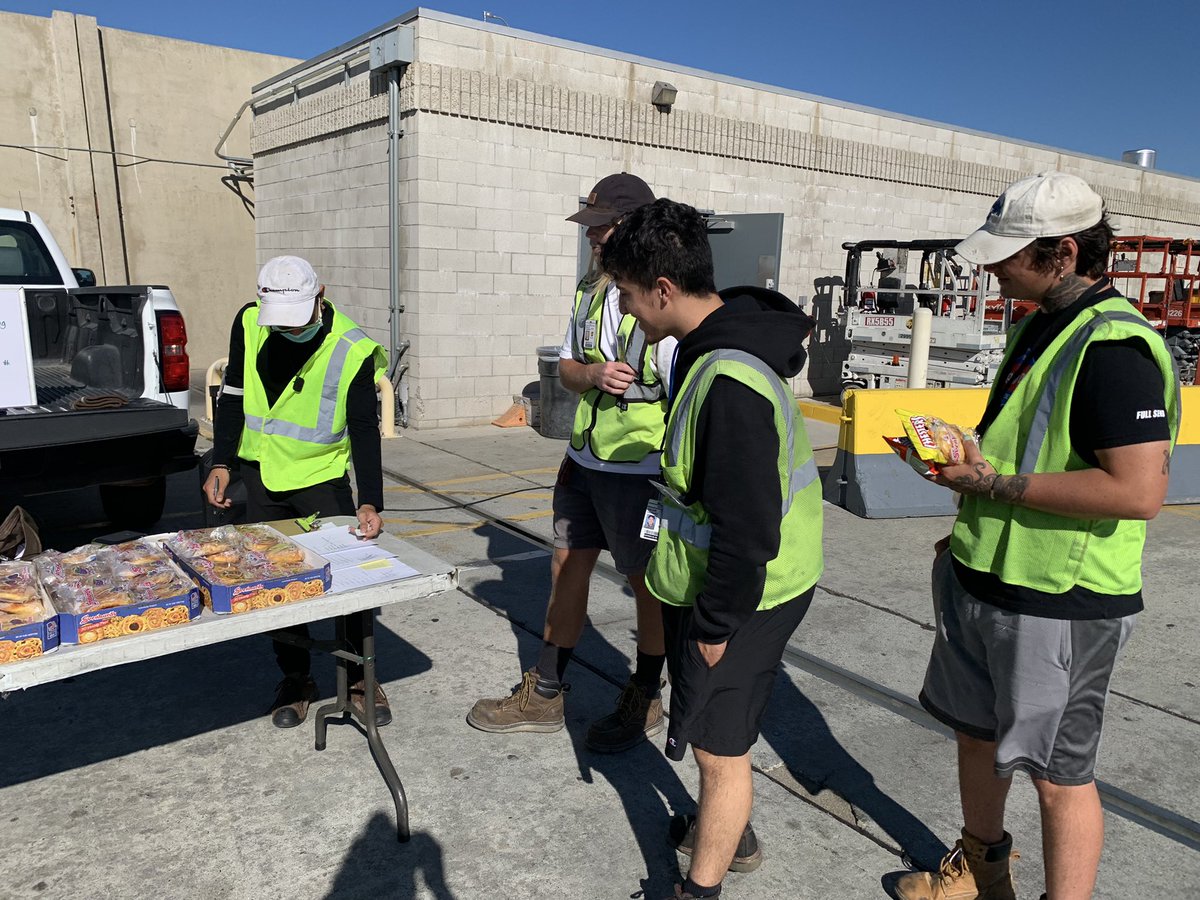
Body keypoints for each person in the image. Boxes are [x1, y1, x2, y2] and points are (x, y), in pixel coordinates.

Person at [895, 173, 1178, 900]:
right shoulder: (1036, 324)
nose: (992, 267)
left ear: (1065, 252)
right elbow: (1031, 446)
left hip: (1059, 601)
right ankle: (982, 871)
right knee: (975, 735)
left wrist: (992, 487)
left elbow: (1138, 493)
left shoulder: (1114, 348)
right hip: (984, 575)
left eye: (1010, 254)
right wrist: (969, 465)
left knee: (1059, 777)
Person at [602, 198, 824, 899]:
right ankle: (732, 832)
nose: (630, 313)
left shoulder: (727, 381)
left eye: (631, 298)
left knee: (719, 751)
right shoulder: (717, 352)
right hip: (732, 584)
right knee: (716, 739)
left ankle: (699, 889)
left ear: (663, 290)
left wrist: (718, 626)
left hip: (748, 593)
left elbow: (748, 529)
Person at [467, 173, 677, 753]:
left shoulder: (665, 298)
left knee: (648, 585)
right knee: (565, 567)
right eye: (590, 228)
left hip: (641, 470)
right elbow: (564, 369)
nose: (593, 240)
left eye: (602, 228)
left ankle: (646, 691)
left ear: (632, 227)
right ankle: (547, 691)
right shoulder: (589, 292)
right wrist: (591, 375)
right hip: (585, 460)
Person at [203, 256, 392, 730]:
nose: (287, 331)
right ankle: (296, 678)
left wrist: (370, 499)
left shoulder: (353, 348)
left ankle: (358, 679)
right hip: (261, 474)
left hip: (320, 480)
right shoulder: (250, 322)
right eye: (279, 323)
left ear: (320, 296)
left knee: (348, 582)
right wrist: (223, 460)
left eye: (297, 320)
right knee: (275, 584)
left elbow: (365, 429)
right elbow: (235, 395)